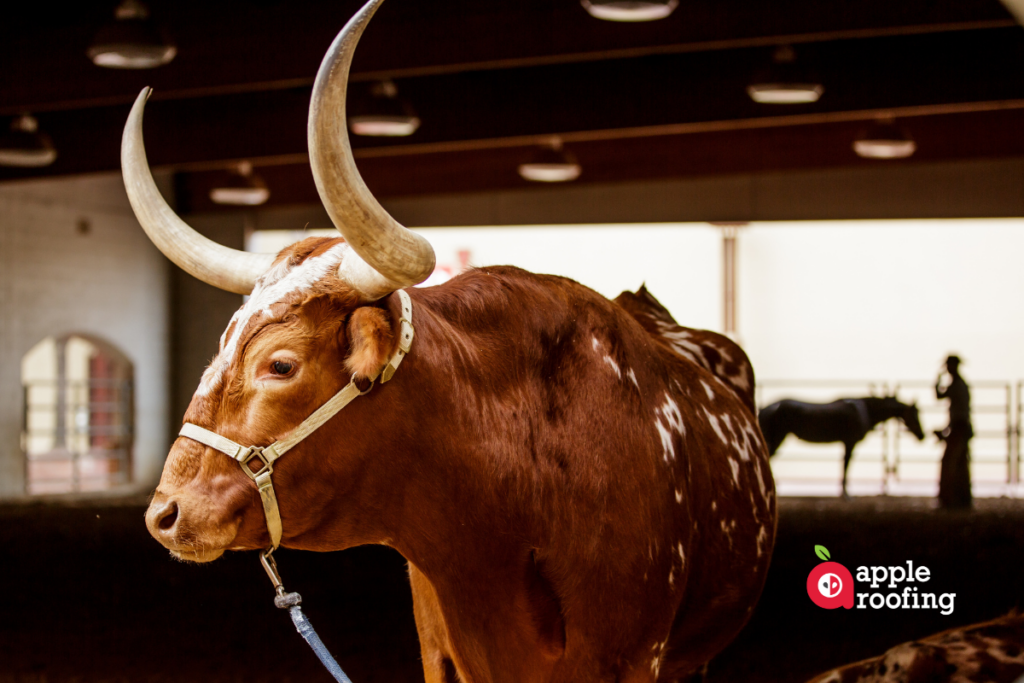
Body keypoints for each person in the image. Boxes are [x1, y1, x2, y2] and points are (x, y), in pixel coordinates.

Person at [934, 354, 972, 509]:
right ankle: (962, 500)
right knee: (960, 463)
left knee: (950, 462)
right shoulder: (959, 384)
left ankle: (950, 500)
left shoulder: (957, 385)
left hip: (959, 428)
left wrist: (937, 381)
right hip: (960, 428)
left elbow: (940, 397)